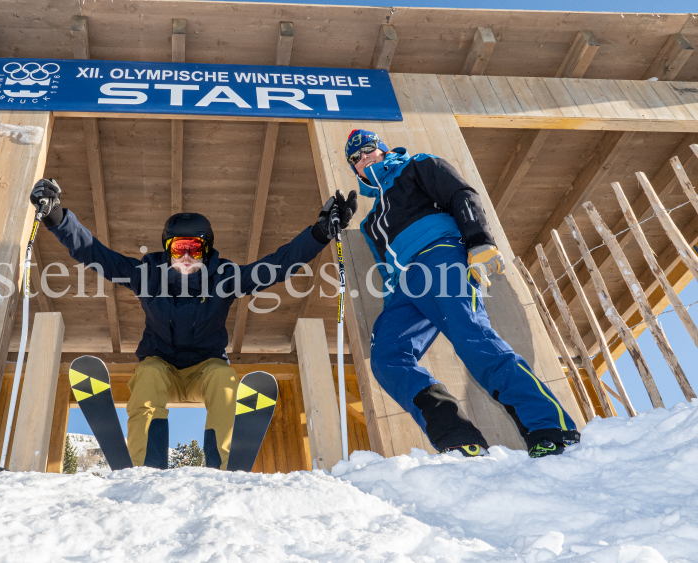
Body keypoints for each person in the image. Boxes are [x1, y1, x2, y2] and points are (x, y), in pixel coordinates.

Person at [30, 178, 357, 469]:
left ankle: (222, 463)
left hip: (206, 366)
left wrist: (319, 234)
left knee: (224, 379)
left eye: (194, 247)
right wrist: (58, 217)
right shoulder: (146, 277)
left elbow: (278, 265)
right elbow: (96, 254)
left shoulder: (225, 278)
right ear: (167, 249)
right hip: (161, 364)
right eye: (178, 247)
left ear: (205, 249)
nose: (186, 255)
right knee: (146, 377)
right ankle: (147, 464)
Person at [345, 129, 579, 458]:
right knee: (387, 358)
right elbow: (386, 269)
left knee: (471, 335)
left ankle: (549, 425)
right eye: (354, 158)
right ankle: (455, 433)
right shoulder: (371, 221)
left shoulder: (417, 165)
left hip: (441, 255)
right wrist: (391, 308)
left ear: (382, 149)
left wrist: (479, 240)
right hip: (406, 284)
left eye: (367, 149)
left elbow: (460, 194)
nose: (362, 158)